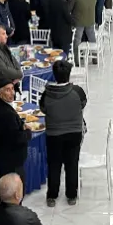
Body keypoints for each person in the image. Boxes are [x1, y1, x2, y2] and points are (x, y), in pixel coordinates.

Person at [39, 60, 87, 206]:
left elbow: (43, 109)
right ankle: (71, 195)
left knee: (54, 164)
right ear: (69, 74)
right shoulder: (77, 91)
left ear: (54, 75)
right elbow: (83, 104)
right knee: (72, 163)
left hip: (53, 134)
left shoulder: (47, 93)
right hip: (74, 133)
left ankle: (52, 196)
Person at [70, 0, 98, 64]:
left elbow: (69, 7)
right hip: (90, 18)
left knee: (77, 40)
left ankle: (77, 60)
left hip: (78, 20)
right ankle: (95, 57)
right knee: (92, 38)